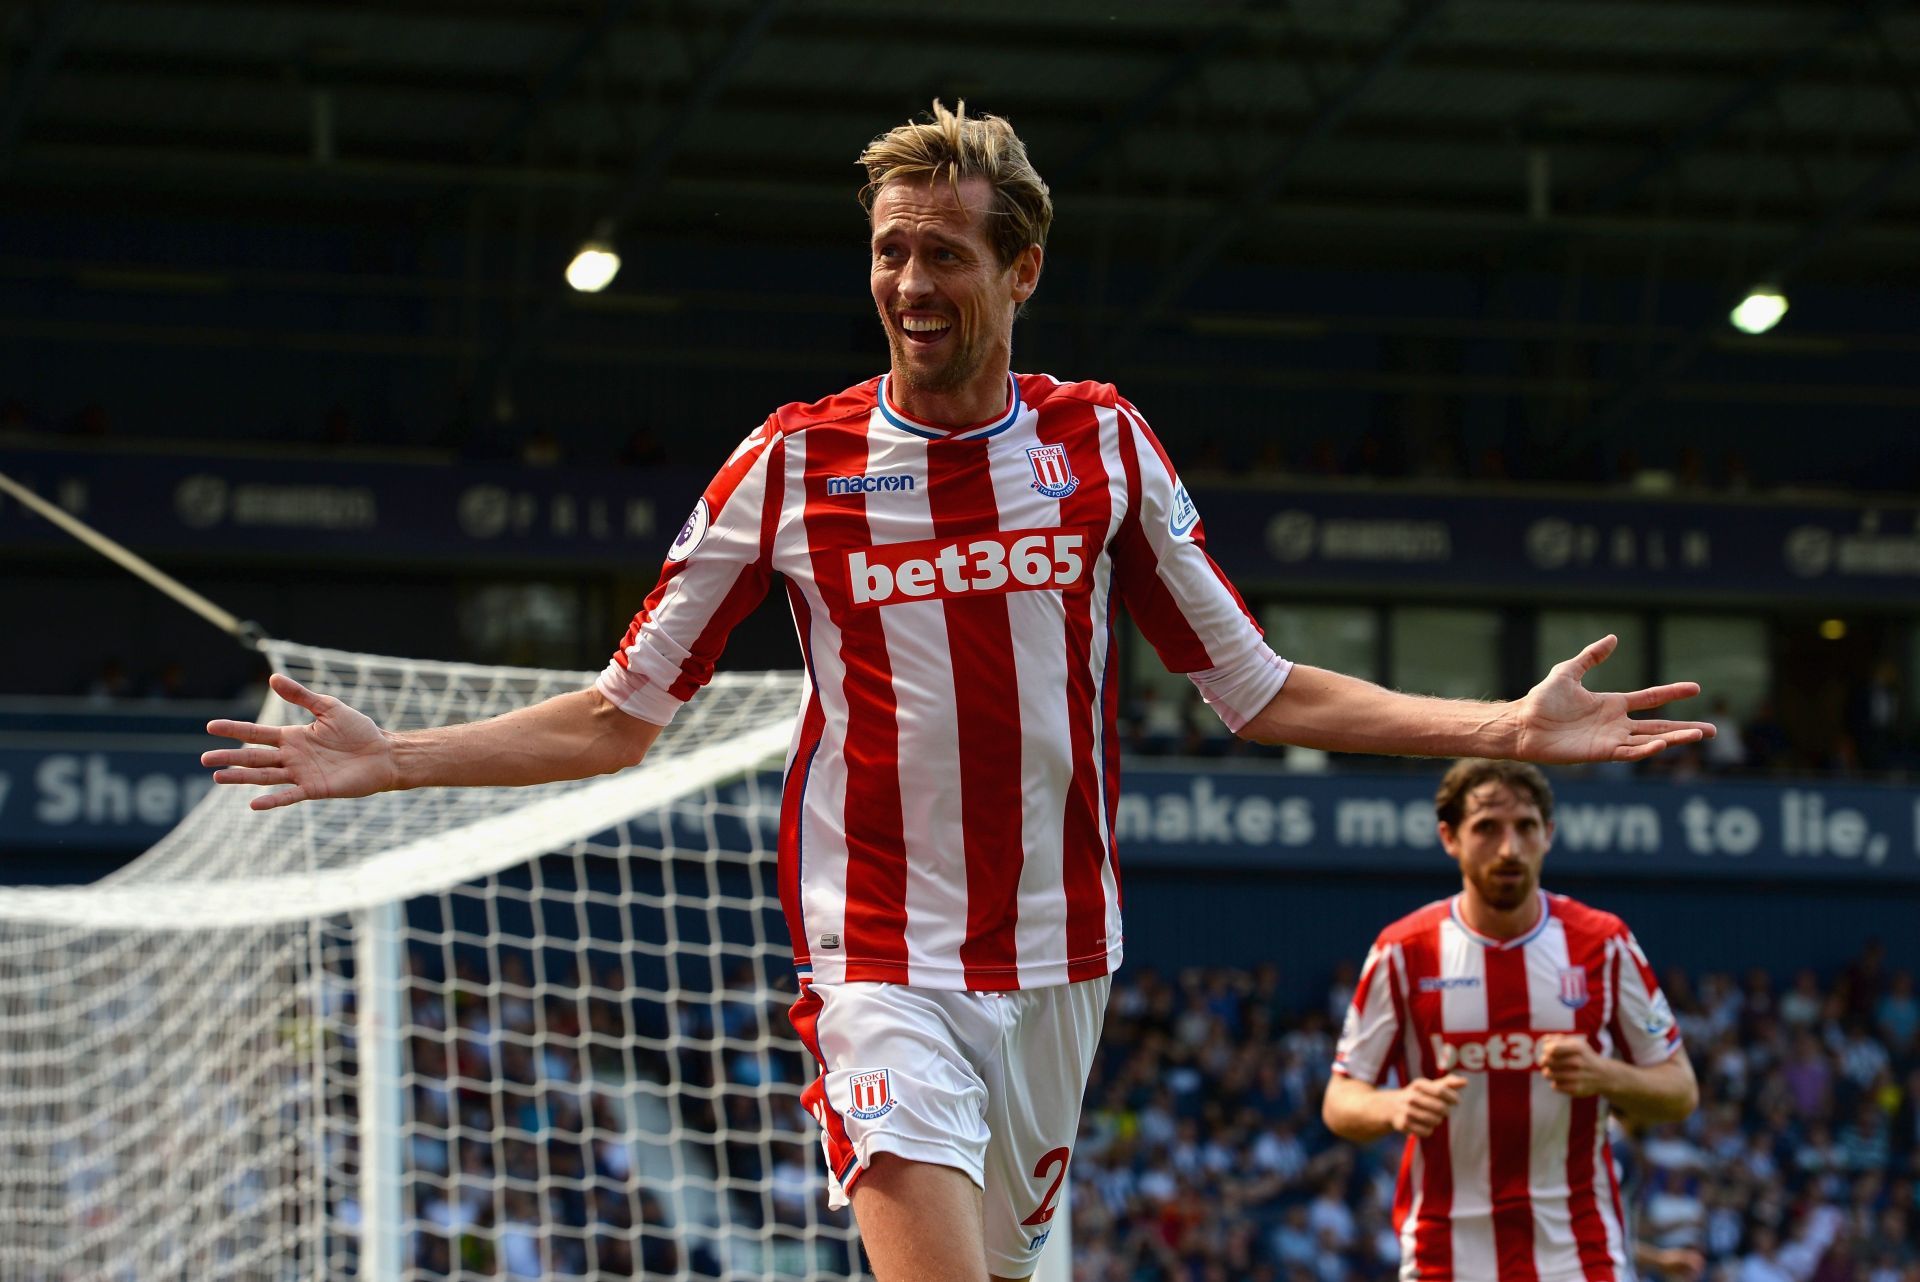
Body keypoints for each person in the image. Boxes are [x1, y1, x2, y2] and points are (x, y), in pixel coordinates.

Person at [200, 103, 1716, 1282]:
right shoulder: (792, 462)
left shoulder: (1103, 448)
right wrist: (392, 759)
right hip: (878, 956)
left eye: (944, 252)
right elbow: (618, 713)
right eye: (887, 250)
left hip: (1062, 955)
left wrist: (1501, 728)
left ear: (1021, 268)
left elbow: (1255, 690)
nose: (908, 284)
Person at [1322, 759, 1700, 1281]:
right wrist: (1394, 1103)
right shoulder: (1404, 950)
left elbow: (1680, 1089)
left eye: (1525, 827)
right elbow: (1341, 1100)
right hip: (1445, 1247)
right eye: (1487, 828)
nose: (1509, 848)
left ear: (1548, 835)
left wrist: (1606, 1075)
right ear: (1449, 838)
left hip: (1578, 1245)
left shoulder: (1603, 943)